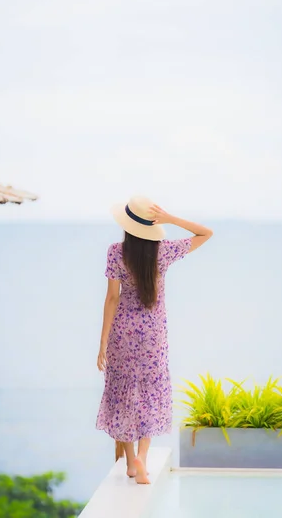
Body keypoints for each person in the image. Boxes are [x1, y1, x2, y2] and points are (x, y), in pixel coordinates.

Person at [96, 196, 213, 485]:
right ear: (151, 227)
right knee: (150, 391)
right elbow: (205, 233)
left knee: (122, 391)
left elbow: (112, 299)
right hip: (152, 335)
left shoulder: (115, 252)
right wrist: (171, 218)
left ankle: (130, 463)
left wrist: (102, 344)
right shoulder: (164, 251)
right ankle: (143, 458)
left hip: (122, 332)